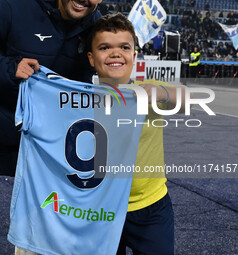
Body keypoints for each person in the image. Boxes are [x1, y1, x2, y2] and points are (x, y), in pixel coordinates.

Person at [0, 0, 102, 254]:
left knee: (37, 202)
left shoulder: (93, 22)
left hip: (39, 127)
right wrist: (8, 67)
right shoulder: (12, 6)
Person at [86, 13, 187, 255]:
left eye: (124, 46)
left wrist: (162, 93)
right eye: (104, 47)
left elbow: (189, 99)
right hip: (100, 208)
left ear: (134, 55)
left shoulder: (148, 88)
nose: (115, 53)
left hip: (151, 206)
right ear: (91, 58)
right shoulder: (79, 96)